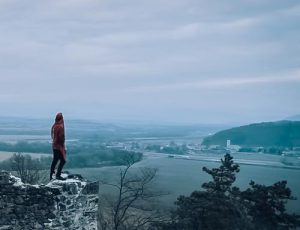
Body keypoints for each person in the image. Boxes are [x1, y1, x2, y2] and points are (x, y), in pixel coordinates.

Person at [50, 112, 66, 180]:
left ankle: (51, 174)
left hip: (54, 145)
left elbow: (52, 135)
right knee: (63, 160)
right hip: (59, 146)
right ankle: (58, 175)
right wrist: (62, 145)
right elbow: (61, 137)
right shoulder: (60, 126)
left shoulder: (54, 126)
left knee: (55, 160)